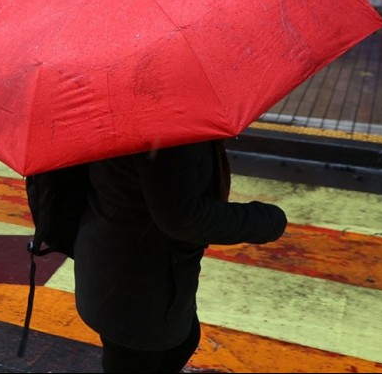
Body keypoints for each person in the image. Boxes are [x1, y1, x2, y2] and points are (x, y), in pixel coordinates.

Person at [73, 139, 287, 373]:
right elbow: (182, 216)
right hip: (136, 281)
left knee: (177, 344)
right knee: (143, 357)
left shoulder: (134, 115)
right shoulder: (165, 130)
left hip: (120, 261)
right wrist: (267, 220)